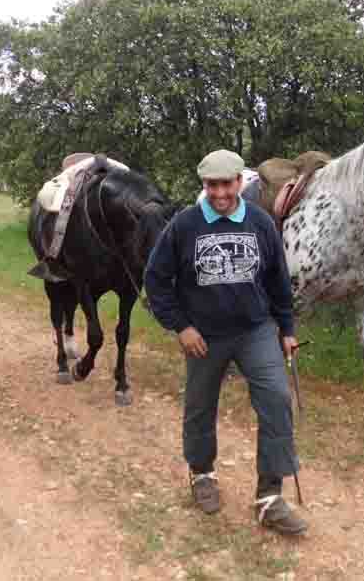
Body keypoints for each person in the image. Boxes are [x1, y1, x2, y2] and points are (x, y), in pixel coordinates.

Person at [144, 149, 307, 535]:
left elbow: (278, 281)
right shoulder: (184, 225)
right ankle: (202, 475)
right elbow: (155, 280)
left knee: (276, 400)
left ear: (239, 182)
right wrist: (181, 326)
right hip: (204, 337)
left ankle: (270, 497)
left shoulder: (261, 223)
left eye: (226, 183)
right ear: (205, 185)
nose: (219, 192)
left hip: (256, 331)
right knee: (200, 407)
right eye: (211, 185)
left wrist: (286, 329)